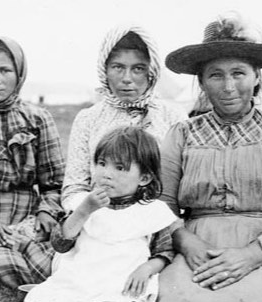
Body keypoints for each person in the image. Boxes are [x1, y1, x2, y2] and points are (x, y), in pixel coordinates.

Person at [156, 12, 262, 302]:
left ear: (257, 77)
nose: (229, 86)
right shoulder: (181, 134)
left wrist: (253, 255)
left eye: (239, 73)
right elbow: (160, 206)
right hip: (197, 247)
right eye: (216, 74)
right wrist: (186, 242)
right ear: (202, 82)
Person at [24, 126, 178, 302]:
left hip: (120, 282)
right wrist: (84, 210)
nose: (106, 174)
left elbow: (165, 251)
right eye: (102, 164)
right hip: (79, 278)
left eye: (120, 168)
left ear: (144, 178)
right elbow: (60, 244)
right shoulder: (85, 203)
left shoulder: (152, 211)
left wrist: (147, 269)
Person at [0, 37, 66, 289]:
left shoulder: (38, 118)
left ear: (19, 74)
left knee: (53, 265)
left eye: (5, 70)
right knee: (1, 263)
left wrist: (46, 211)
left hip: (28, 218)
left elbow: (54, 183)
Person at [62, 25, 187, 212]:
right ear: (105, 70)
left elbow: (185, 184)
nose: (127, 78)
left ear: (151, 72)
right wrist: (96, 213)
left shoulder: (174, 116)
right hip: (100, 221)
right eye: (118, 67)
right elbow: (74, 188)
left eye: (138, 69)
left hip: (161, 223)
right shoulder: (87, 119)